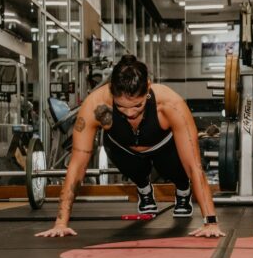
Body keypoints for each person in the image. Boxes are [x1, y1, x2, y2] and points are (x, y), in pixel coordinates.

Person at [36, 54, 225, 238]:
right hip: (123, 148)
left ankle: (183, 190)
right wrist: (61, 222)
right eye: (121, 107)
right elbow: (77, 165)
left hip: (163, 147)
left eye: (137, 106)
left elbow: (194, 166)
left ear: (148, 88)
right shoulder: (95, 105)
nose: (129, 114)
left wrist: (211, 222)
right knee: (131, 166)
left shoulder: (170, 104)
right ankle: (144, 188)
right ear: (111, 91)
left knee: (175, 169)